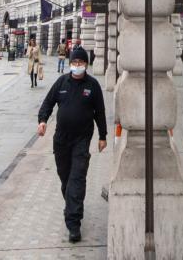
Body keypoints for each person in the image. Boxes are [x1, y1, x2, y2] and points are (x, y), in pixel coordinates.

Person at [37, 47, 107, 243]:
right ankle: (72, 205)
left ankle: (74, 224)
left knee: (77, 179)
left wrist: (103, 136)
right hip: (61, 139)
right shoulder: (61, 82)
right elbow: (47, 104)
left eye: (81, 63)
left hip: (82, 140)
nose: (77, 66)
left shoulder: (92, 86)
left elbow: (100, 112)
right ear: (70, 64)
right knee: (66, 179)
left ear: (86, 64)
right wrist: (42, 121)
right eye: (74, 63)